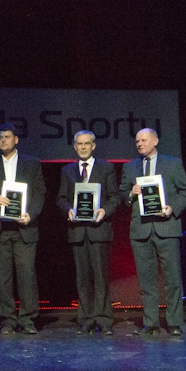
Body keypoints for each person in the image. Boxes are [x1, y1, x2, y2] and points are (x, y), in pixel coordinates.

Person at [0, 123, 46, 335]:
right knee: (1, 277)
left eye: (7, 137)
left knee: (27, 275)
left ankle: (27, 319)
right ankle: (7, 319)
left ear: (16, 140)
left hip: (24, 228)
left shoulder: (31, 163)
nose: (3, 140)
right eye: (0, 137)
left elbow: (40, 193)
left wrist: (31, 214)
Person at [121, 128, 186, 337]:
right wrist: (130, 193)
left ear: (155, 141)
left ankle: (175, 322)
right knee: (146, 280)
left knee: (172, 279)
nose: (140, 144)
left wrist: (172, 208)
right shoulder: (130, 167)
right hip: (141, 230)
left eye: (143, 140)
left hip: (166, 228)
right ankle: (150, 322)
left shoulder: (173, 163)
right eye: (137, 141)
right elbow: (121, 195)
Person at [57, 130, 120, 336]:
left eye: (87, 144)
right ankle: (85, 319)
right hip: (77, 231)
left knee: (101, 277)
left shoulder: (106, 168)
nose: (83, 147)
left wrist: (104, 211)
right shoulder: (67, 170)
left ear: (94, 146)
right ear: (75, 147)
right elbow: (61, 198)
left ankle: (104, 320)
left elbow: (114, 197)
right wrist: (68, 209)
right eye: (79, 144)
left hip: (99, 230)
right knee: (82, 278)